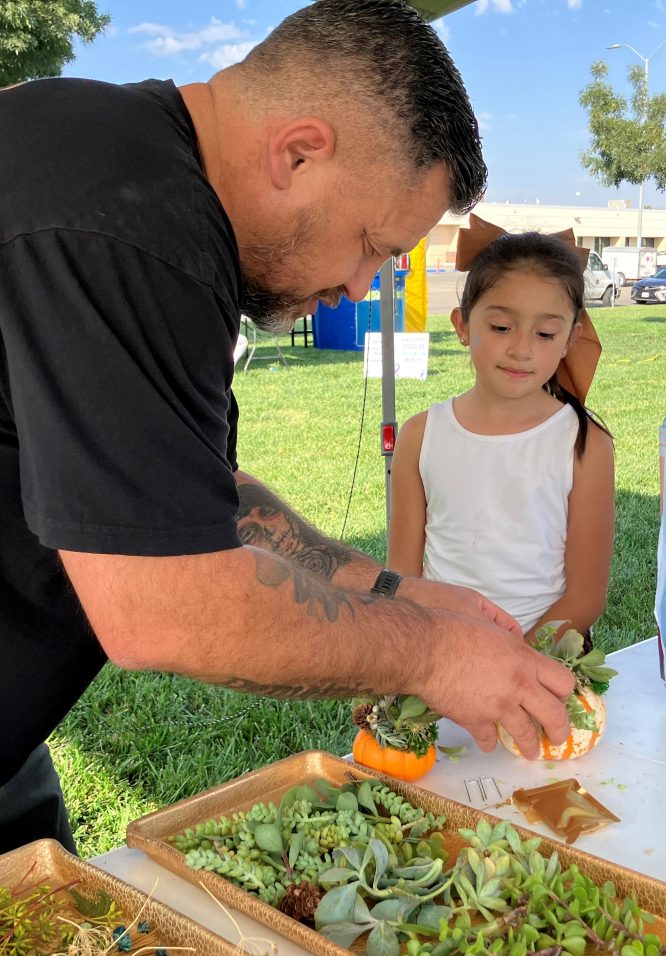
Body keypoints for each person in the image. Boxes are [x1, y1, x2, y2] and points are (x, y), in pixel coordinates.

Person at [0, 0, 575, 854]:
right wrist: (429, 655)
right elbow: (163, 608)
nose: (357, 287)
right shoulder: (128, 225)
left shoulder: (124, 168)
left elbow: (191, 501)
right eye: (373, 244)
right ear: (299, 152)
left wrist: (400, 592)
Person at [388, 216, 615, 644]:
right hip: (441, 657)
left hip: (543, 663)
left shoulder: (584, 445)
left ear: (571, 338)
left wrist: (512, 664)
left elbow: (585, 596)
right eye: (501, 327)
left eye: (546, 333)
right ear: (461, 325)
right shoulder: (420, 437)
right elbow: (404, 575)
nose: (522, 349)